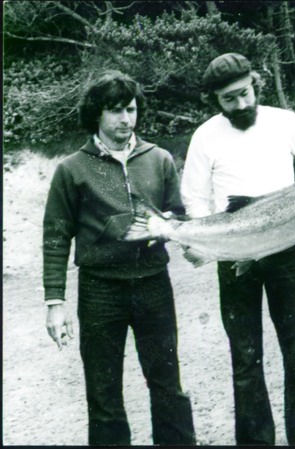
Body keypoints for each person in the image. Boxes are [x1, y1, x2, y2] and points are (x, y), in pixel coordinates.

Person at [180, 52, 295, 446]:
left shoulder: (284, 121)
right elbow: (194, 199)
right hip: (233, 256)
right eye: (229, 99)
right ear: (215, 101)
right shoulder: (205, 136)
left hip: (284, 252)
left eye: (245, 93)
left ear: (256, 83)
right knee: (246, 360)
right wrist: (211, 240)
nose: (241, 105)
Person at [42, 70, 196, 445]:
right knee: (104, 393)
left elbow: (178, 215)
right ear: (97, 114)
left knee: (166, 384)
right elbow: (56, 236)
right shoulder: (71, 169)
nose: (126, 119)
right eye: (115, 110)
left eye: (131, 109)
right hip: (100, 291)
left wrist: (168, 225)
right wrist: (54, 302)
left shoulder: (158, 159)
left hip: (153, 286)